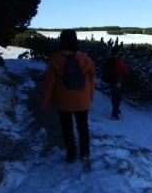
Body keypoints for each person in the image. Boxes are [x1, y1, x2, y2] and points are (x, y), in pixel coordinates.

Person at [41, 29, 96, 172]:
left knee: (67, 128)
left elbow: (49, 81)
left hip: (63, 99)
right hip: (81, 99)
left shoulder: (55, 58)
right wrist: (90, 96)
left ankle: (71, 155)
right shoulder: (84, 58)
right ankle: (85, 154)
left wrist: (45, 100)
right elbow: (91, 78)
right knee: (83, 128)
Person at [105, 46, 129, 120]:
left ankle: (115, 110)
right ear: (118, 53)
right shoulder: (119, 61)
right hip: (118, 81)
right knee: (117, 97)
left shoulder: (108, 61)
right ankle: (115, 113)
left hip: (111, 81)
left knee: (114, 96)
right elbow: (126, 69)